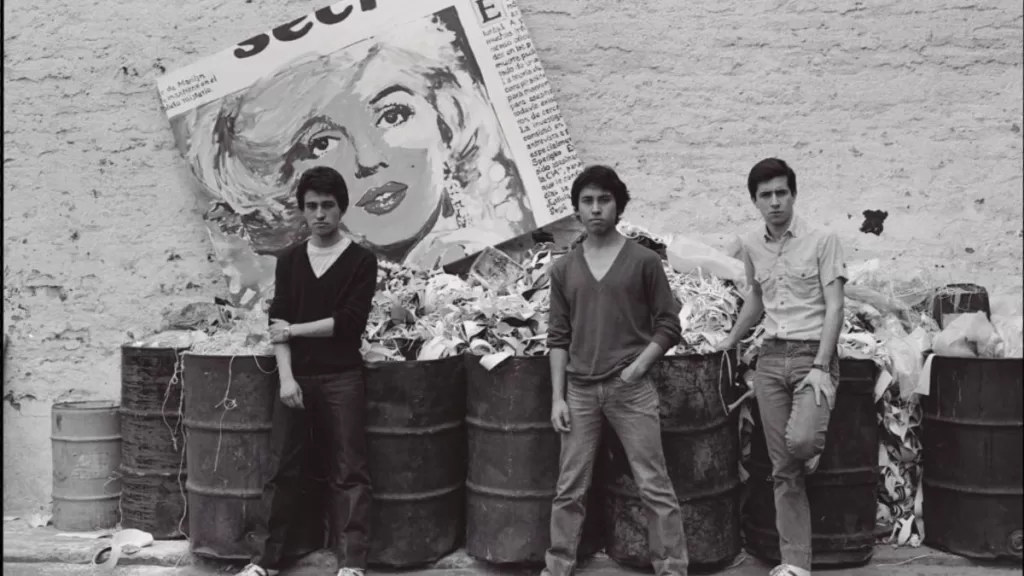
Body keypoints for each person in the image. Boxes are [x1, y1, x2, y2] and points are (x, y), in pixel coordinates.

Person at [180, 7, 534, 280]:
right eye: (321, 143)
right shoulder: (305, 286)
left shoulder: (502, 249)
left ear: (445, 120)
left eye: (393, 116)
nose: (369, 159)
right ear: (286, 181)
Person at [543, 165, 688, 576]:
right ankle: (557, 565)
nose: (596, 208)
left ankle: (672, 568)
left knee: (653, 484)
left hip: (631, 389)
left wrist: (638, 368)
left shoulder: (643, 261)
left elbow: (669, 324)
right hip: (579, 392)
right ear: (577, 209)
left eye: (604, 200)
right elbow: (558, 338)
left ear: (618, 206)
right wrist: (557, 398)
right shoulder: (564, 269)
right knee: (569, 487)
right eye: (587, 201)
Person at [238, 166, 379, 576]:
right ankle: (264, 562)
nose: (320, 214)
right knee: (281, 470)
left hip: (342, 378)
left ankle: (352, 563)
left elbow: (349, 322)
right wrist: (285, 378)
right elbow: (276, 323)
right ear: (302, 209)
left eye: (328, 206)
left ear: (342, 208)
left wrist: (294, 330)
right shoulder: (290, 260)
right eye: (312, 206)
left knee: (350, 471)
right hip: (296, 376)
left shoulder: (361, 261)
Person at [716, 158, 847, 576]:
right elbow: (756, 297)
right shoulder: (751, 244)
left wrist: (822, 365)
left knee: (802, 443)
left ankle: (809, 448)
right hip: (771, 359)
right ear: (754, 201)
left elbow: (835, 306)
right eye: (765, 195)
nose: (774, 202)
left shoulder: (823, 240)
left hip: (812, 356)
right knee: (783, 470)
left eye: (781, 193)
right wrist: (731, 340)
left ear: (793, 194)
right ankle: (795, 564)